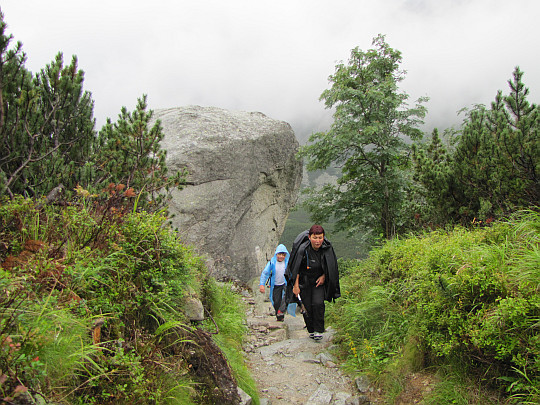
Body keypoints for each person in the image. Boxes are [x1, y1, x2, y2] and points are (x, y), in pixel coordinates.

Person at [285, 225, 340, 340]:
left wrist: (324, 276)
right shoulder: (303, 250)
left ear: (323, 237)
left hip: (318, 282)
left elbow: (331, 266)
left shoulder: (327, 249)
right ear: (310, 237)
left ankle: (318, 330)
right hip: (304, 281)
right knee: (307, 306)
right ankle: (311, 330)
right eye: (315, 238)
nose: (318, 241)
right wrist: (295, 286)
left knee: (318, 303)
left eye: (320, 238)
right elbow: (296, 269)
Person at [259, 244, 294, 321]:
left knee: (287, 296)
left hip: (285, 283)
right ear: (276, 254)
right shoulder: (272, 263)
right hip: (276, 285)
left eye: (283, 255)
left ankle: (281, 311)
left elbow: (292, 273)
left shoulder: (287, 263)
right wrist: (262, 284)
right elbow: (265, 273)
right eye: (279, 254)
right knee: (276, 301)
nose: (281, 256)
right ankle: (279, 316)